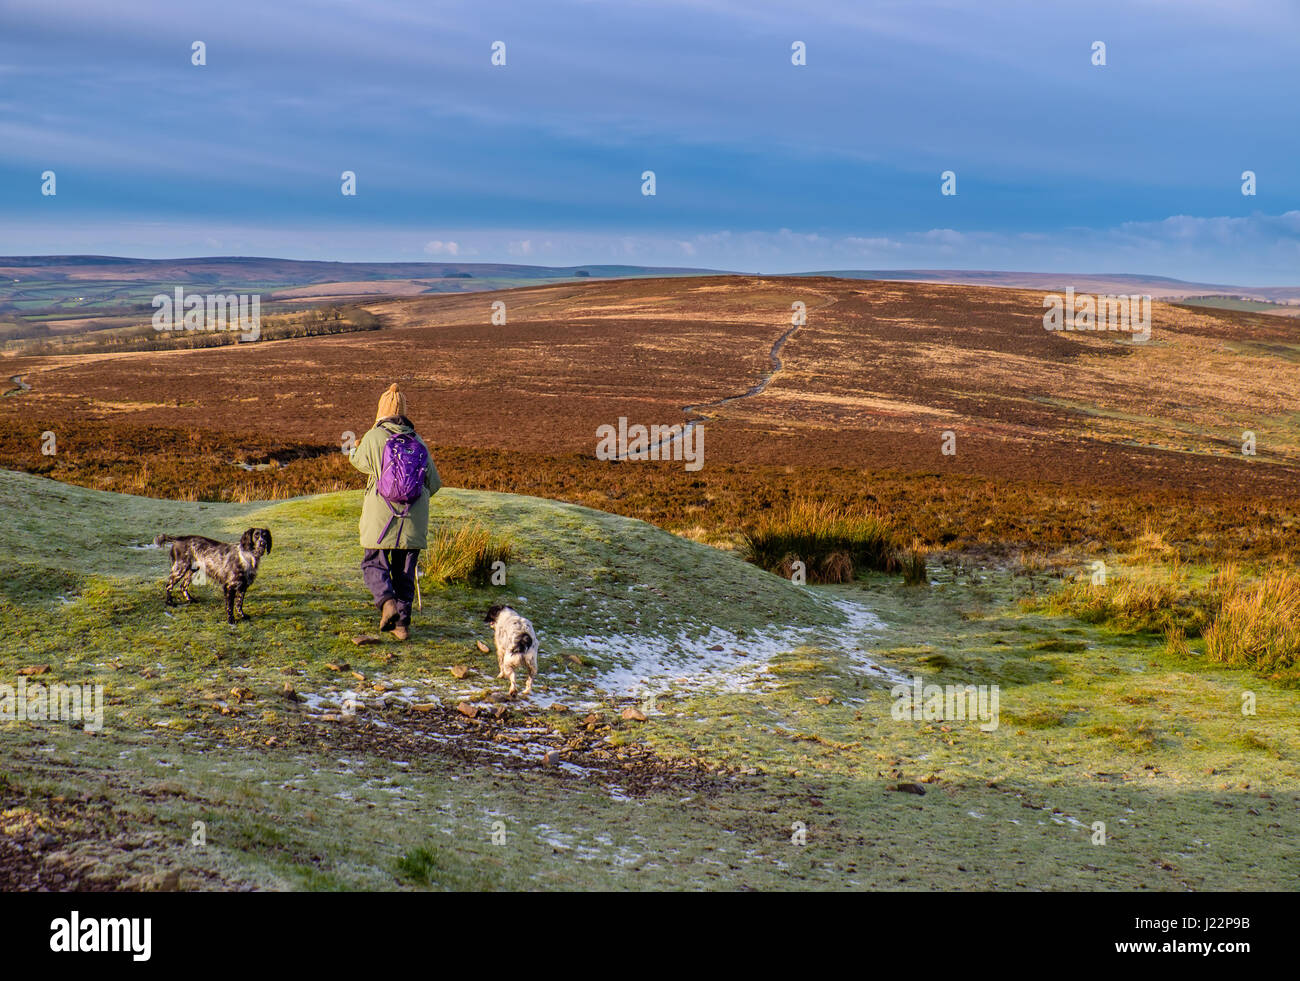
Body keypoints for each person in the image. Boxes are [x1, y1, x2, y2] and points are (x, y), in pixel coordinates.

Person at [349, 383, 440, 640]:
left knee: (373, 562)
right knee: (405, 571)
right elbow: (434, 484)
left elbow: (357, 462)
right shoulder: (418, 440)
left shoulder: (374, 436)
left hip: (381, 520)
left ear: (381, 411)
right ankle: (402, 626)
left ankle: (386, 603)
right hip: (413, 522)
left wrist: (356, 446)